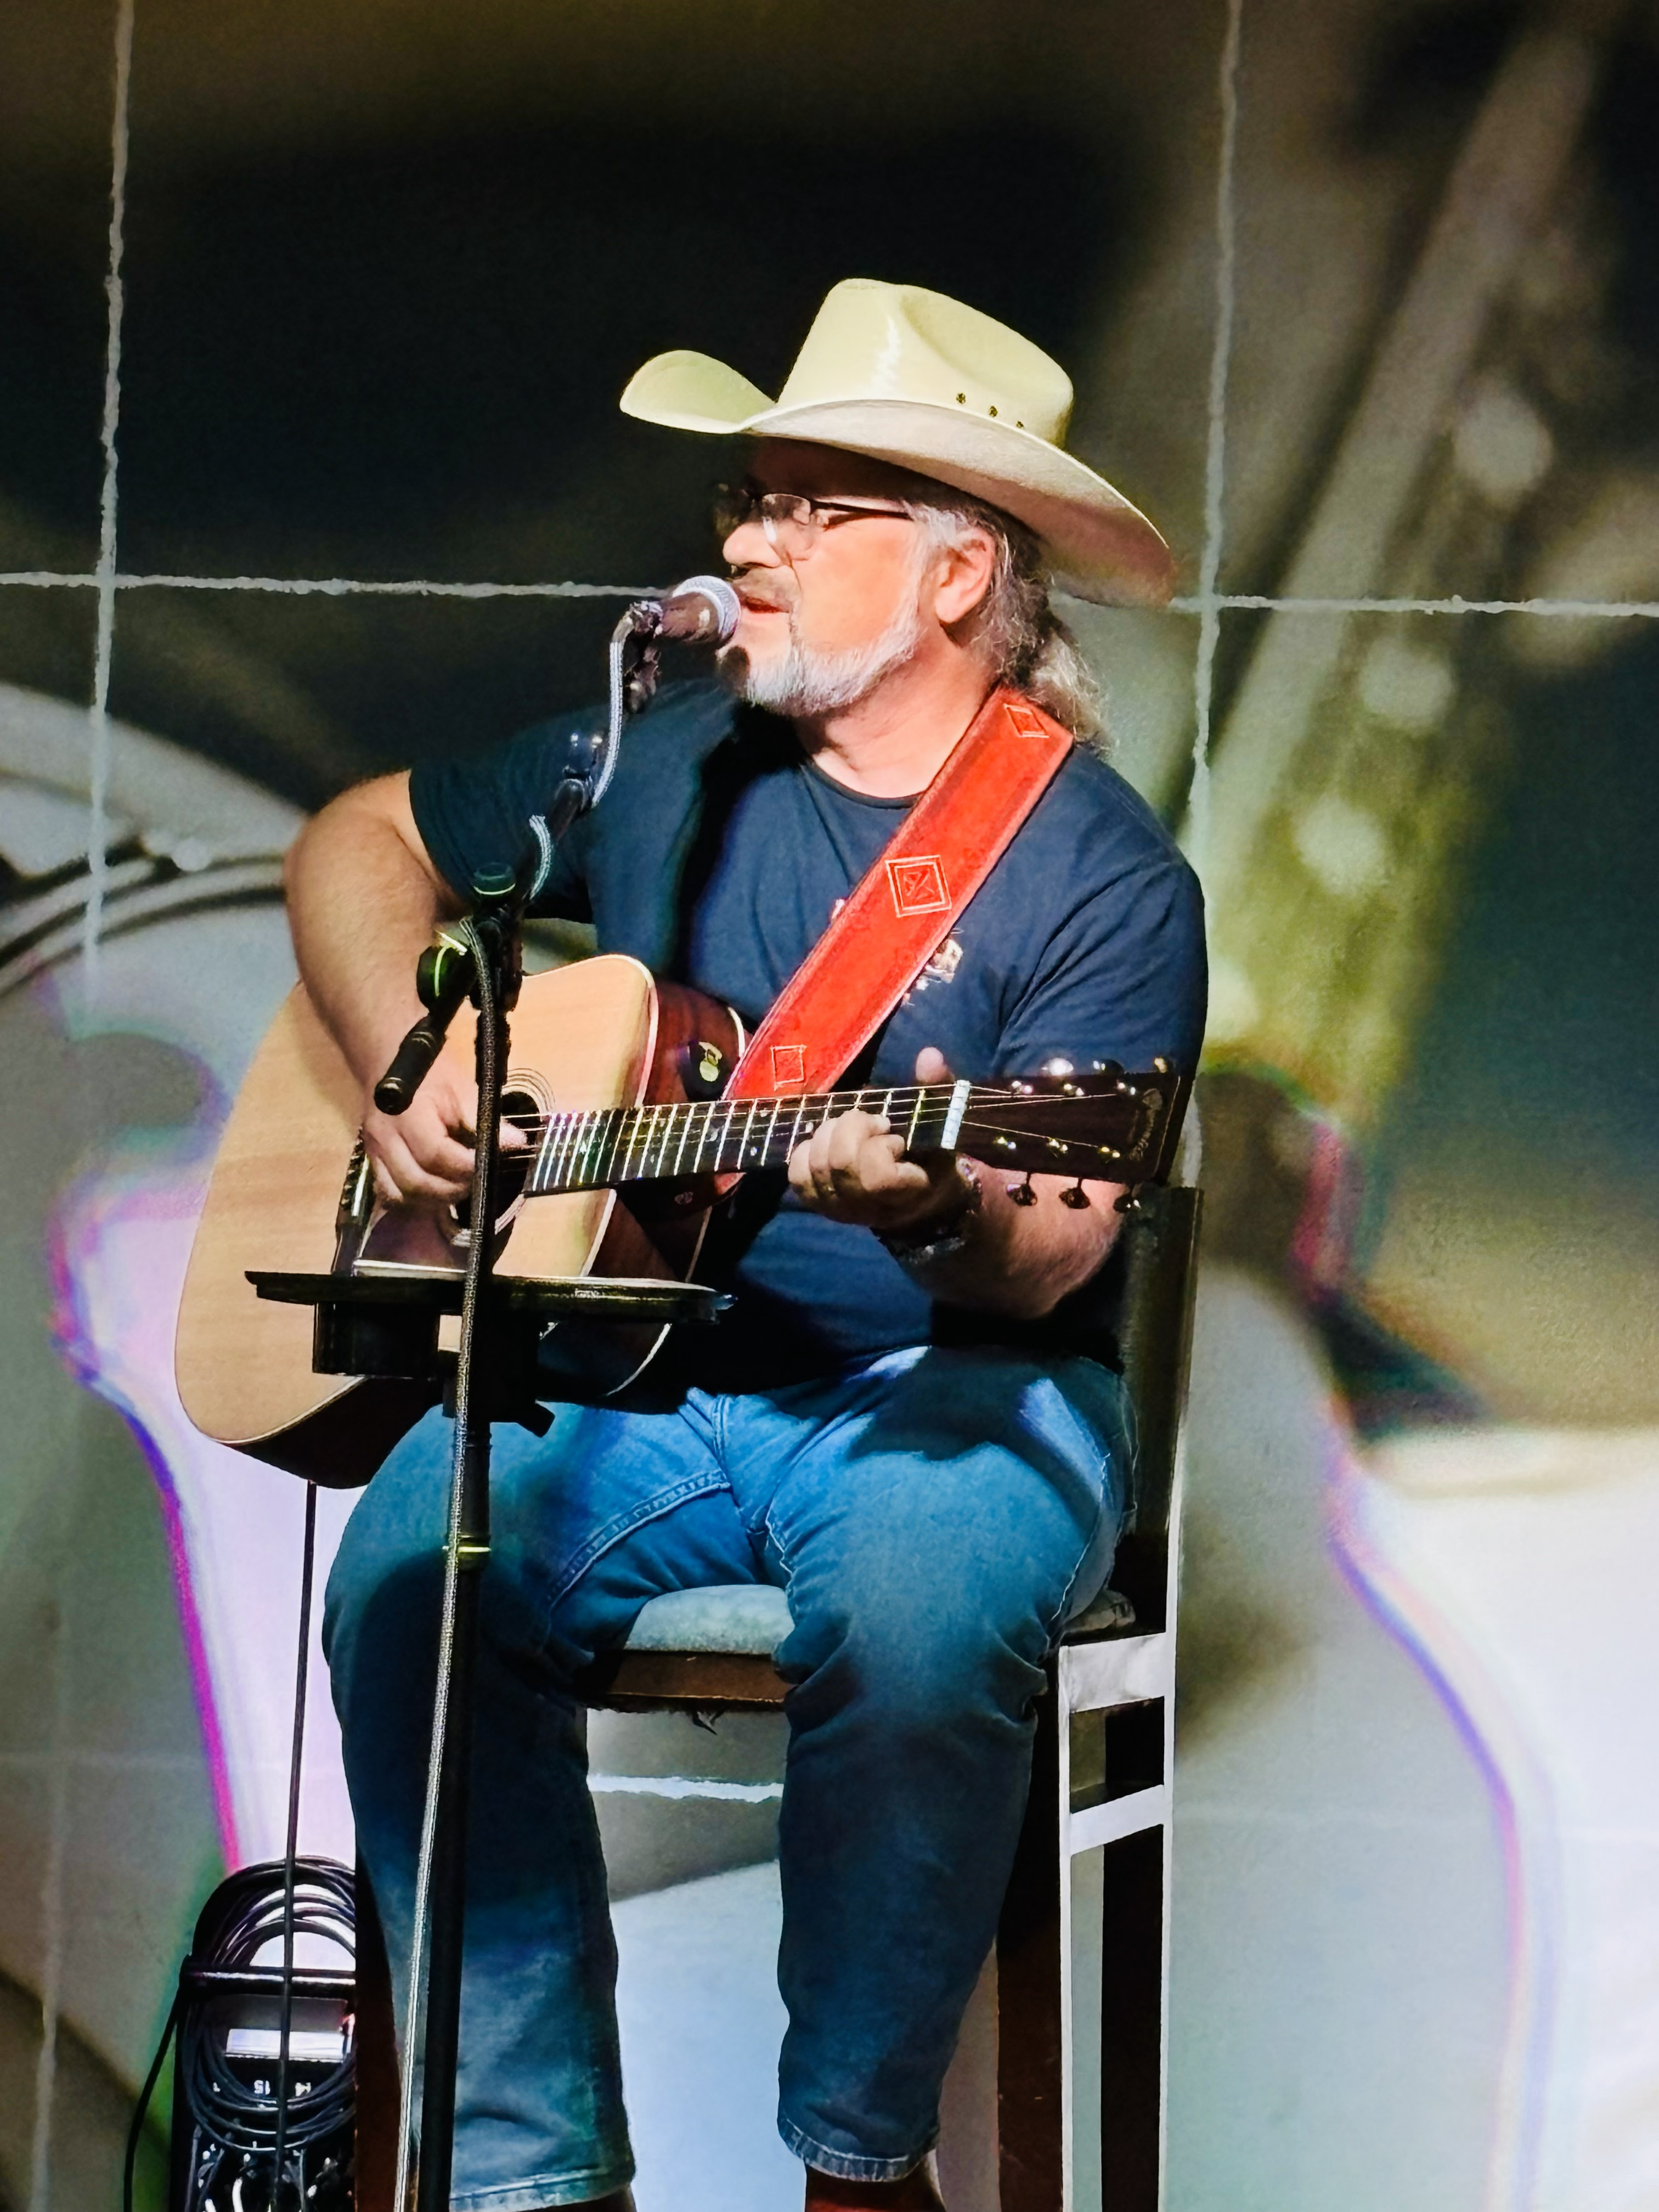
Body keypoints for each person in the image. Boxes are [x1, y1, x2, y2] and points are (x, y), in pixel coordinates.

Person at [292, 279, 1206, 2212]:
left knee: (923, 1595)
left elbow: (1049, 1256)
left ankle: (860, 2172)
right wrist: (405, 1063)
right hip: (654, 1382)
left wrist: (938, 1202)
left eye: (811, 505)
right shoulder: (666, 754)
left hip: (965, 1390)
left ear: (959, 573)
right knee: (406, 1574)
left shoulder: (1104, 874)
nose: (749, 541)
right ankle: (530, 2182)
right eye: (751, 496)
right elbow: (359, 838)